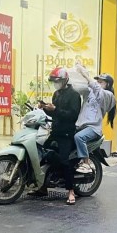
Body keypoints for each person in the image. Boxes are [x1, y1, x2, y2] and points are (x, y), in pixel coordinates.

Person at [41, 67, 82, 204]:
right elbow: (55, 114)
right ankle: (43, 186)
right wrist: (45, 108)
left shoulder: (74, 95)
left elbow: (72, 115)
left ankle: (71, 191)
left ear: (65, 80)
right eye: (54, 82)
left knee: (65, 161)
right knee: (43, 154)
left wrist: (56, 109)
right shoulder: (56, 94)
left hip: (66, 133)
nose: (55, 84)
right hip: (55, 131)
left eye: (57, 81)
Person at [73, 62, 117, 174]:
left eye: (101, 82)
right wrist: (80, 73)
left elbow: (98, 91)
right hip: (81, 126)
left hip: (93, 128)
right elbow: (79, 88)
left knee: (79, 137)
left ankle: (86, 163)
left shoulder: (108, 96)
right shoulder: (90, 92)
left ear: (108, 84)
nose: (97, 83)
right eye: (97, 81)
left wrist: (86, 75)